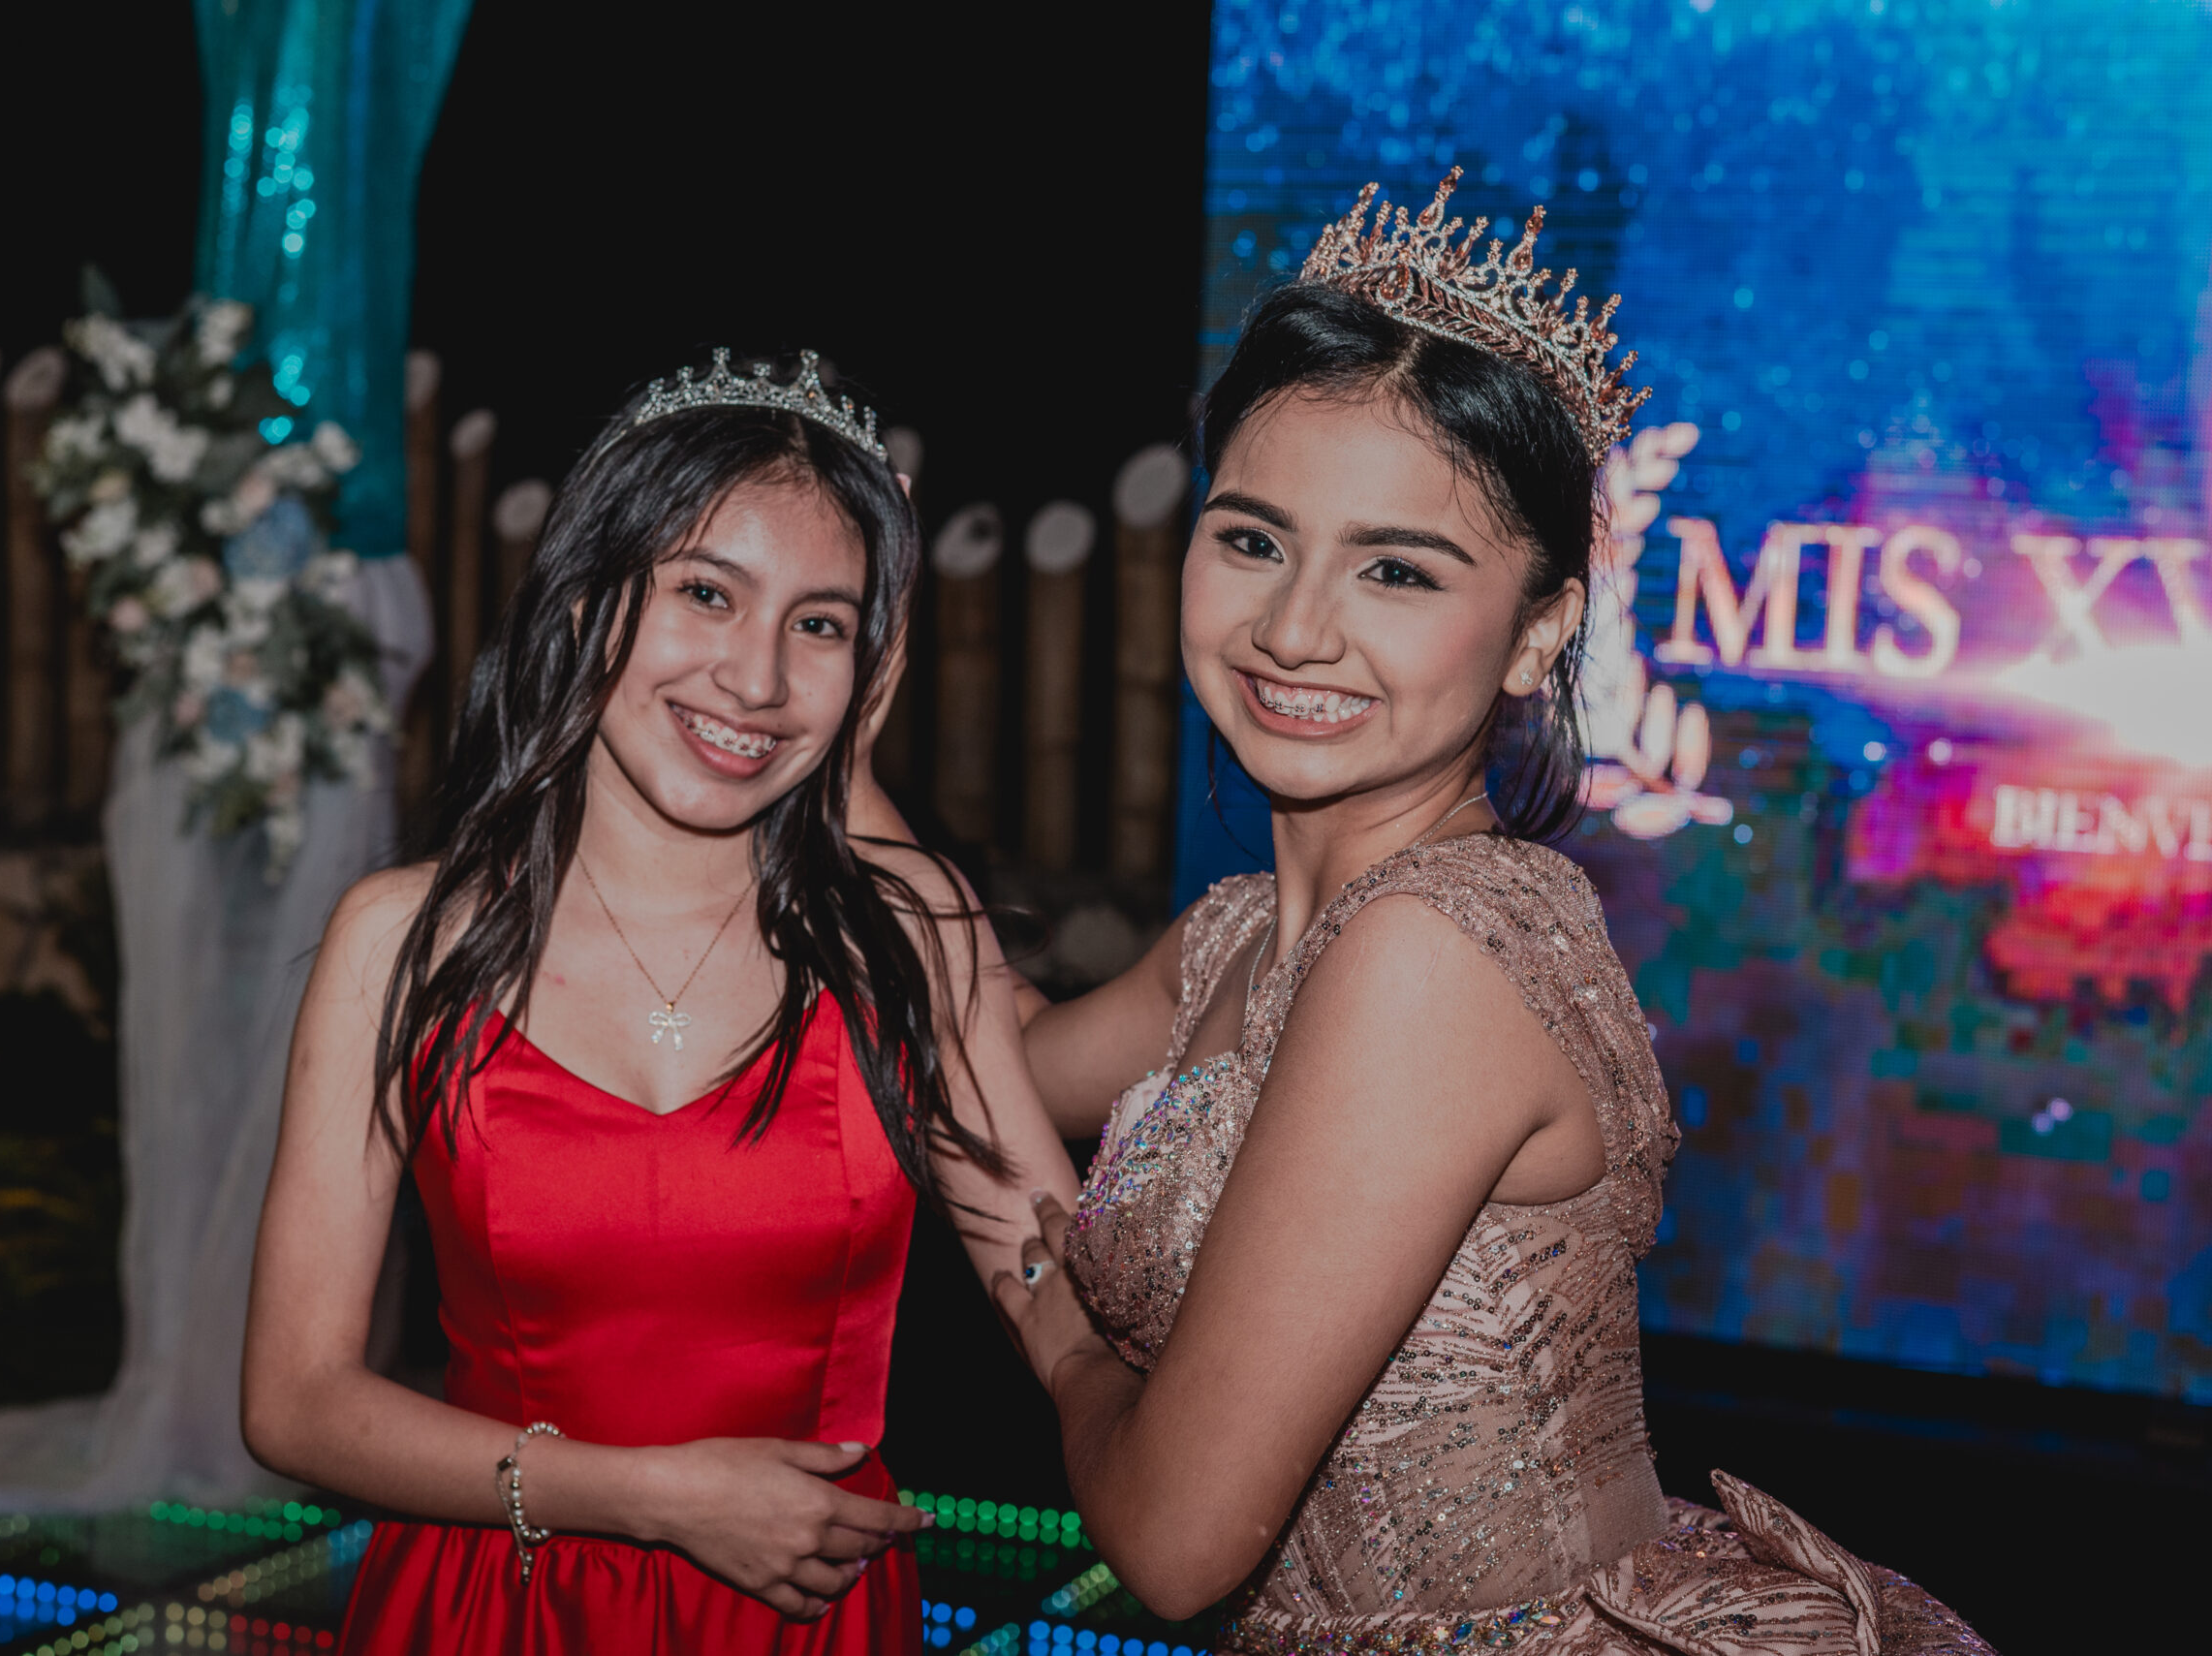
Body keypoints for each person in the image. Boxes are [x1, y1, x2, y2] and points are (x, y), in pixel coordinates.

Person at [992, 175, 1991, 1655]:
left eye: (1397, 569)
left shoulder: (1430, 956)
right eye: (1253, 539)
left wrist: (1063, 1337)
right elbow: (985, 1052)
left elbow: (1176, 1540)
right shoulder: (1235, 939)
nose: (1293, 627)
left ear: (1539, 632)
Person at [243, 350, 1078, 1651]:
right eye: (705, 593)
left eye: (820, 625)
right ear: (587, 603)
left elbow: (1051, 1278)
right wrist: (649, 1498)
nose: (757, 677)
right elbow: (293, 1400)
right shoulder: (399, 941)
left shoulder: (907, 931)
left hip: (805, 1617)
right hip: (494, 1609)